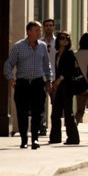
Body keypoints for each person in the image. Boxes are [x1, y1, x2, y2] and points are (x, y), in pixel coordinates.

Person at [3, 20, 53, 149]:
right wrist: (10, 78)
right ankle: (24, 139)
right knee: (22, 112)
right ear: (29, 32)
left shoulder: (42, 46)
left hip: (38, 83)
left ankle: (35, 139)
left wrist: (49, 80)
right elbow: (9, 64)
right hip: (23, 84)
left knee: (38, 112)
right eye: (37, 30)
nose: (39, 33)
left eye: (40, 30)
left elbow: (46, 64)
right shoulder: (18, 46)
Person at [50, 31, 80, 144]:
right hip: (59, 86)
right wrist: (55, 83)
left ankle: (73, 138)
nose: (65, 40)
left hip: (67, 86)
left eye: (67, 38)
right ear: (58, 40)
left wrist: (60, 79)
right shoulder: (57, 54)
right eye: (62, 38)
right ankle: (55, 137)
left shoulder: (70, 54)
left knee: (68, 113)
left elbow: (70, 70)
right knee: (55, 112)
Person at [41, 18, 56, 136]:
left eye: (50, 25)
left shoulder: (58, 42)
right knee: (40, 103)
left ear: (53, 27)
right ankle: (42, 126)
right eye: (46, 25)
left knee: (55, 104)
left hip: (54, 77)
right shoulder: (39, 42)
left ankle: (54, 126)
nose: (48, 27)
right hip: (41, 77)